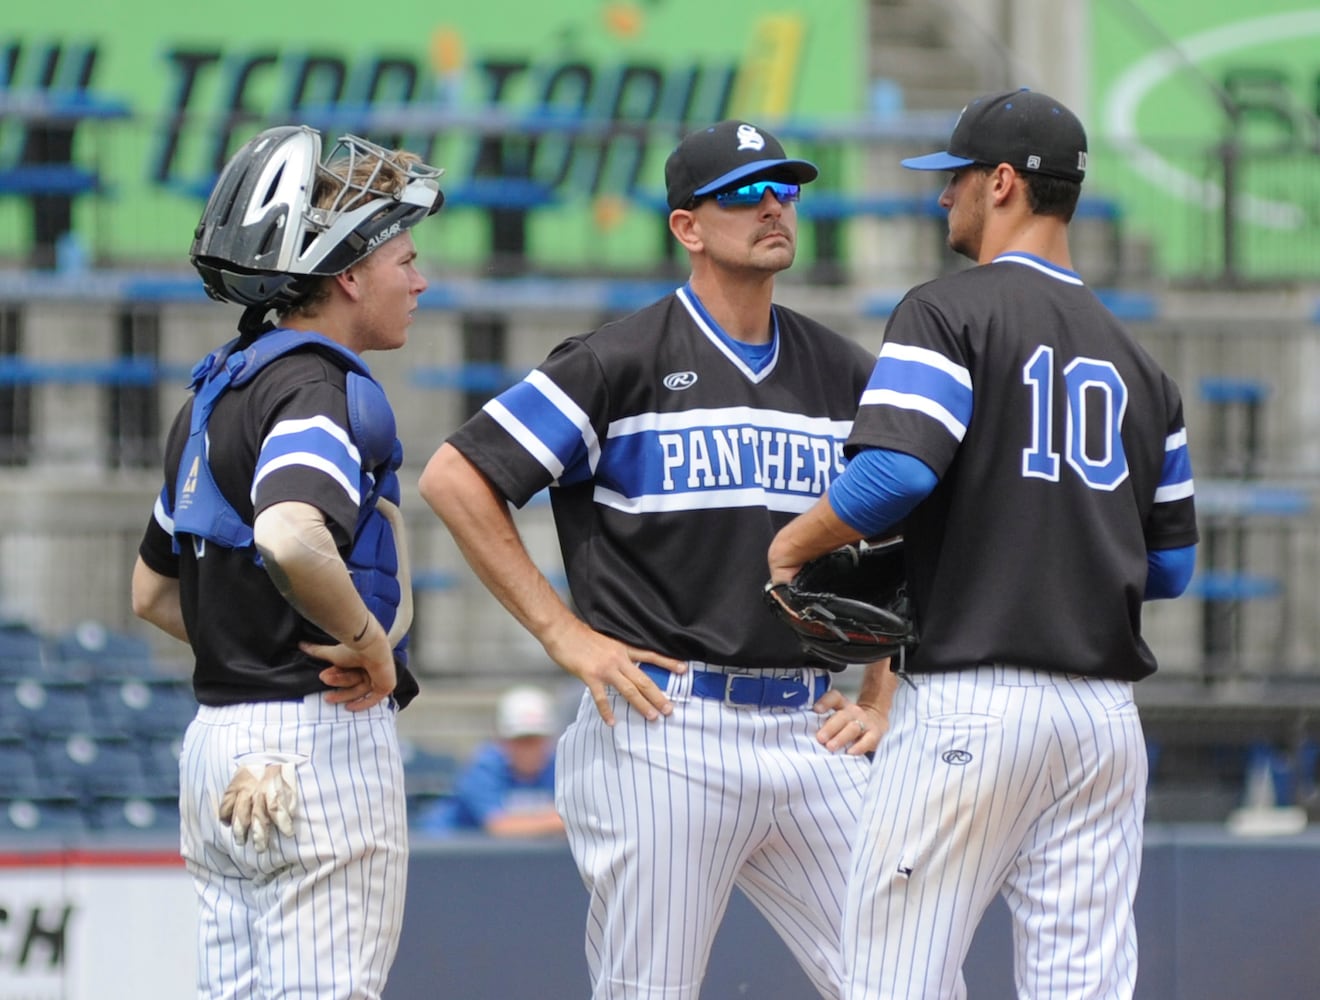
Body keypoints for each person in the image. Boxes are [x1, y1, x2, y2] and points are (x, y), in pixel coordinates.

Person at [419, 119, 898, 999]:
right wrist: (566, 637)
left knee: (911, 978)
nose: (775, 209)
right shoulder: (616, 360)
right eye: (747, 194)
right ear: (687, 226)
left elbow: (914, 528)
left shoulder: (842, 370)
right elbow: (455, 477)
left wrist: (884, 686)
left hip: (808, 725)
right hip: (667, 725)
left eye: (787, 189)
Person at [767, 89, 1200, 1000]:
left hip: (975, 702)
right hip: (1103, 722)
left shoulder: (947, 311)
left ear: (1002, 182)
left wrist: (793, 545)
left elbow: (895, 478)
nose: (942, 199)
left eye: (956, 179)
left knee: (893, 977)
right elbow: (1171, 566)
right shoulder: (1142, 366)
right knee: (1080, 985)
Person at [130, 124, 443, 999]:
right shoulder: (317, 384)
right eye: (404, 259)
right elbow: (290, 533)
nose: (419, 281)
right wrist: (366, 642)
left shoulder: (214, 388)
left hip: (216, 745)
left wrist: (250, 641)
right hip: (315, 741)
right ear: (347, 273)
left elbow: (152, 592)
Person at [416, 684, 566, 838]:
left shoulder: (559, 768)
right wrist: (561, 821)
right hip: (448, 850)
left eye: (535, 741)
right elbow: (499, 826)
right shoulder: (484, 767)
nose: (527, 750)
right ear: (501, 740)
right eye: (519, 740)